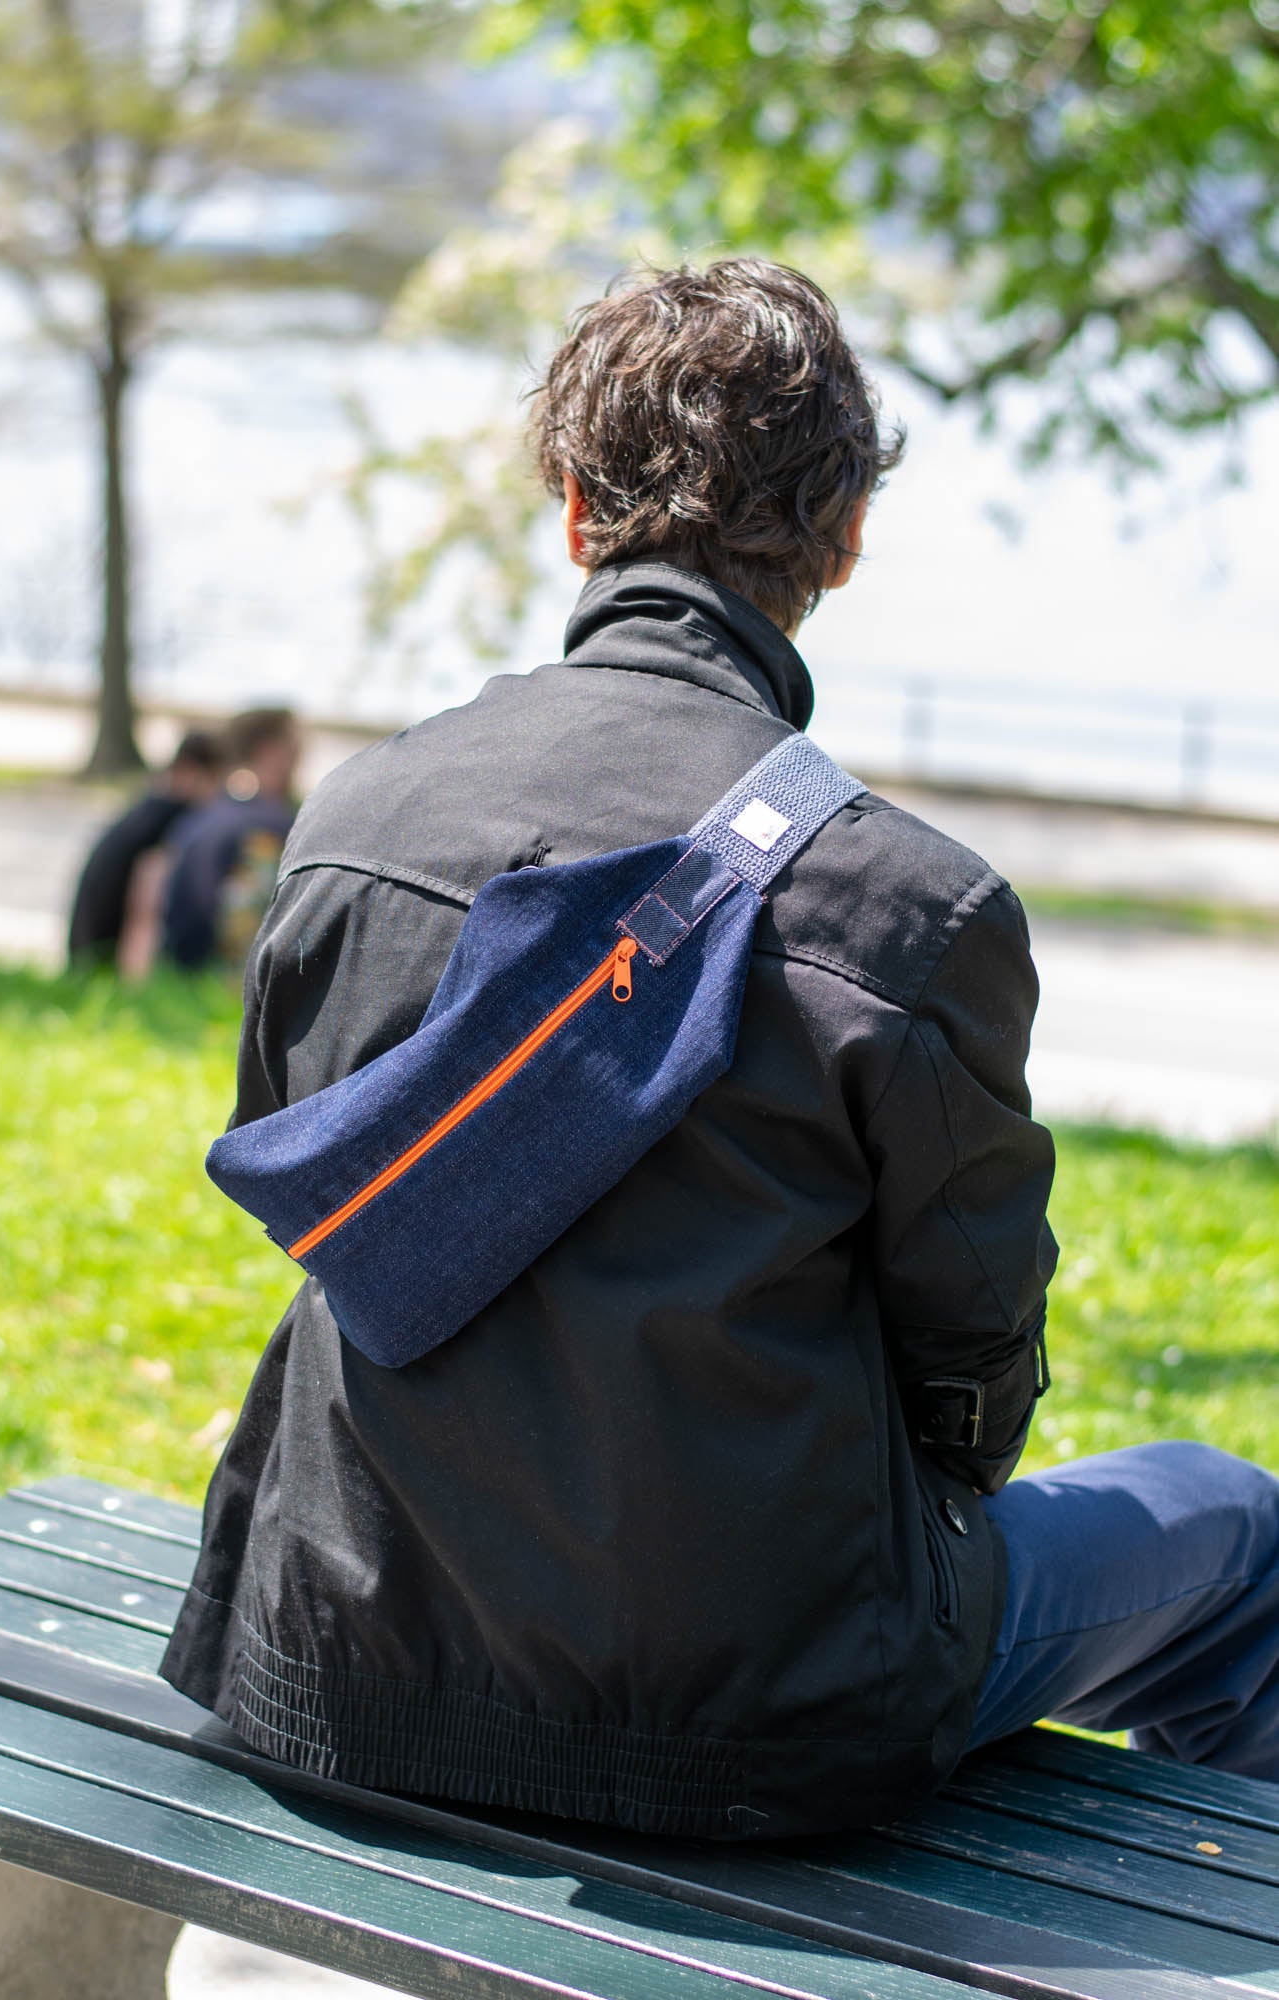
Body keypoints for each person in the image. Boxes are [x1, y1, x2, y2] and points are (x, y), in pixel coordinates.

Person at [161, 261, 1279, 1836]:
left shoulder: (353, 820)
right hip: (762, 1709)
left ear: (572, 510)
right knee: (1235, 1526)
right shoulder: (912, 909)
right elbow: (969, 1365)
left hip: (344, 1652)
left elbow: (305, 1173)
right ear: (843, 540)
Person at [125, 707, 302, 979]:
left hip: (175, 960)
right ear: (271, 752)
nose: (299, 762)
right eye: (295, 752)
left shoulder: (207, 810)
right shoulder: (269, 824)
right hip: (220, 975)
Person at [66, 729, 224, 968]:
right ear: (192, 772)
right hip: (105, 955)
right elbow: (146, 898)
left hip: (85, 948)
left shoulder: (149, 807)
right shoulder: (172, 816)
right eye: (215, 781)